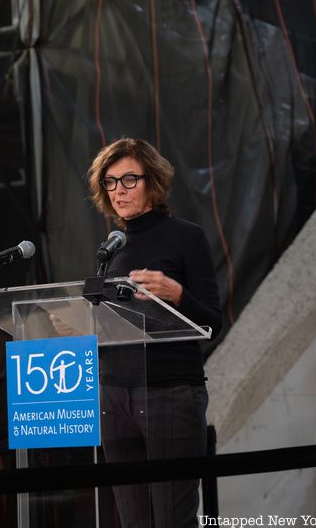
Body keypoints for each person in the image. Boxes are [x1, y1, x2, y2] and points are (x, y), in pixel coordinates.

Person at [87, 138, 222, 528]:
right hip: (114, 396)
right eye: (110, 183)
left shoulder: (185, 237)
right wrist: (79, 325)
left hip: (169, 394)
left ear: (153, 183)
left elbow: (213, 322)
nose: (119, 190)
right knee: (133, 521)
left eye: (129, 179)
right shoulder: (110, 248)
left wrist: (177, 293)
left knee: (171, 519)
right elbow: (114, 323)